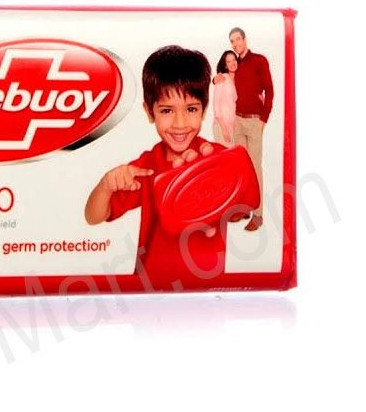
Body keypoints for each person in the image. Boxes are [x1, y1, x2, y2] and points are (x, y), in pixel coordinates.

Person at [84, 45, 227, 289]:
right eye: (167, 110)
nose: (180, 123)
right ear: (150, 112)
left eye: (191, 109)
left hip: (207, 290)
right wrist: (105, 186)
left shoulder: (217, 158)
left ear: (204, 110)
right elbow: (93, 217)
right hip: (148, 288)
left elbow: (244, 209)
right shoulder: (147, 166)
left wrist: (213, 193)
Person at [214, 27, 273, 231]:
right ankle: (244, 208)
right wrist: (215, 78)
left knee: (255, 167)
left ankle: (258, 214)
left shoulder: (259, 60)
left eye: (238, 39)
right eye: (232, 41)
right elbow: (222, 79)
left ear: (245, 39)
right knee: (242, 168)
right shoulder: (235, 65)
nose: (235, 43)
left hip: (254, 121)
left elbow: (269, 90)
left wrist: (264, 119)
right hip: (237, 121)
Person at [212, 49, 238, 147]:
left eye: (234, 60)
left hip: (234, 127)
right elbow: (216, 105)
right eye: (228, 61)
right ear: (225, 65)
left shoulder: (238, 80)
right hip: (222, 125)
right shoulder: (222, 78)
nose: (232, 63)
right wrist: (224, 128)